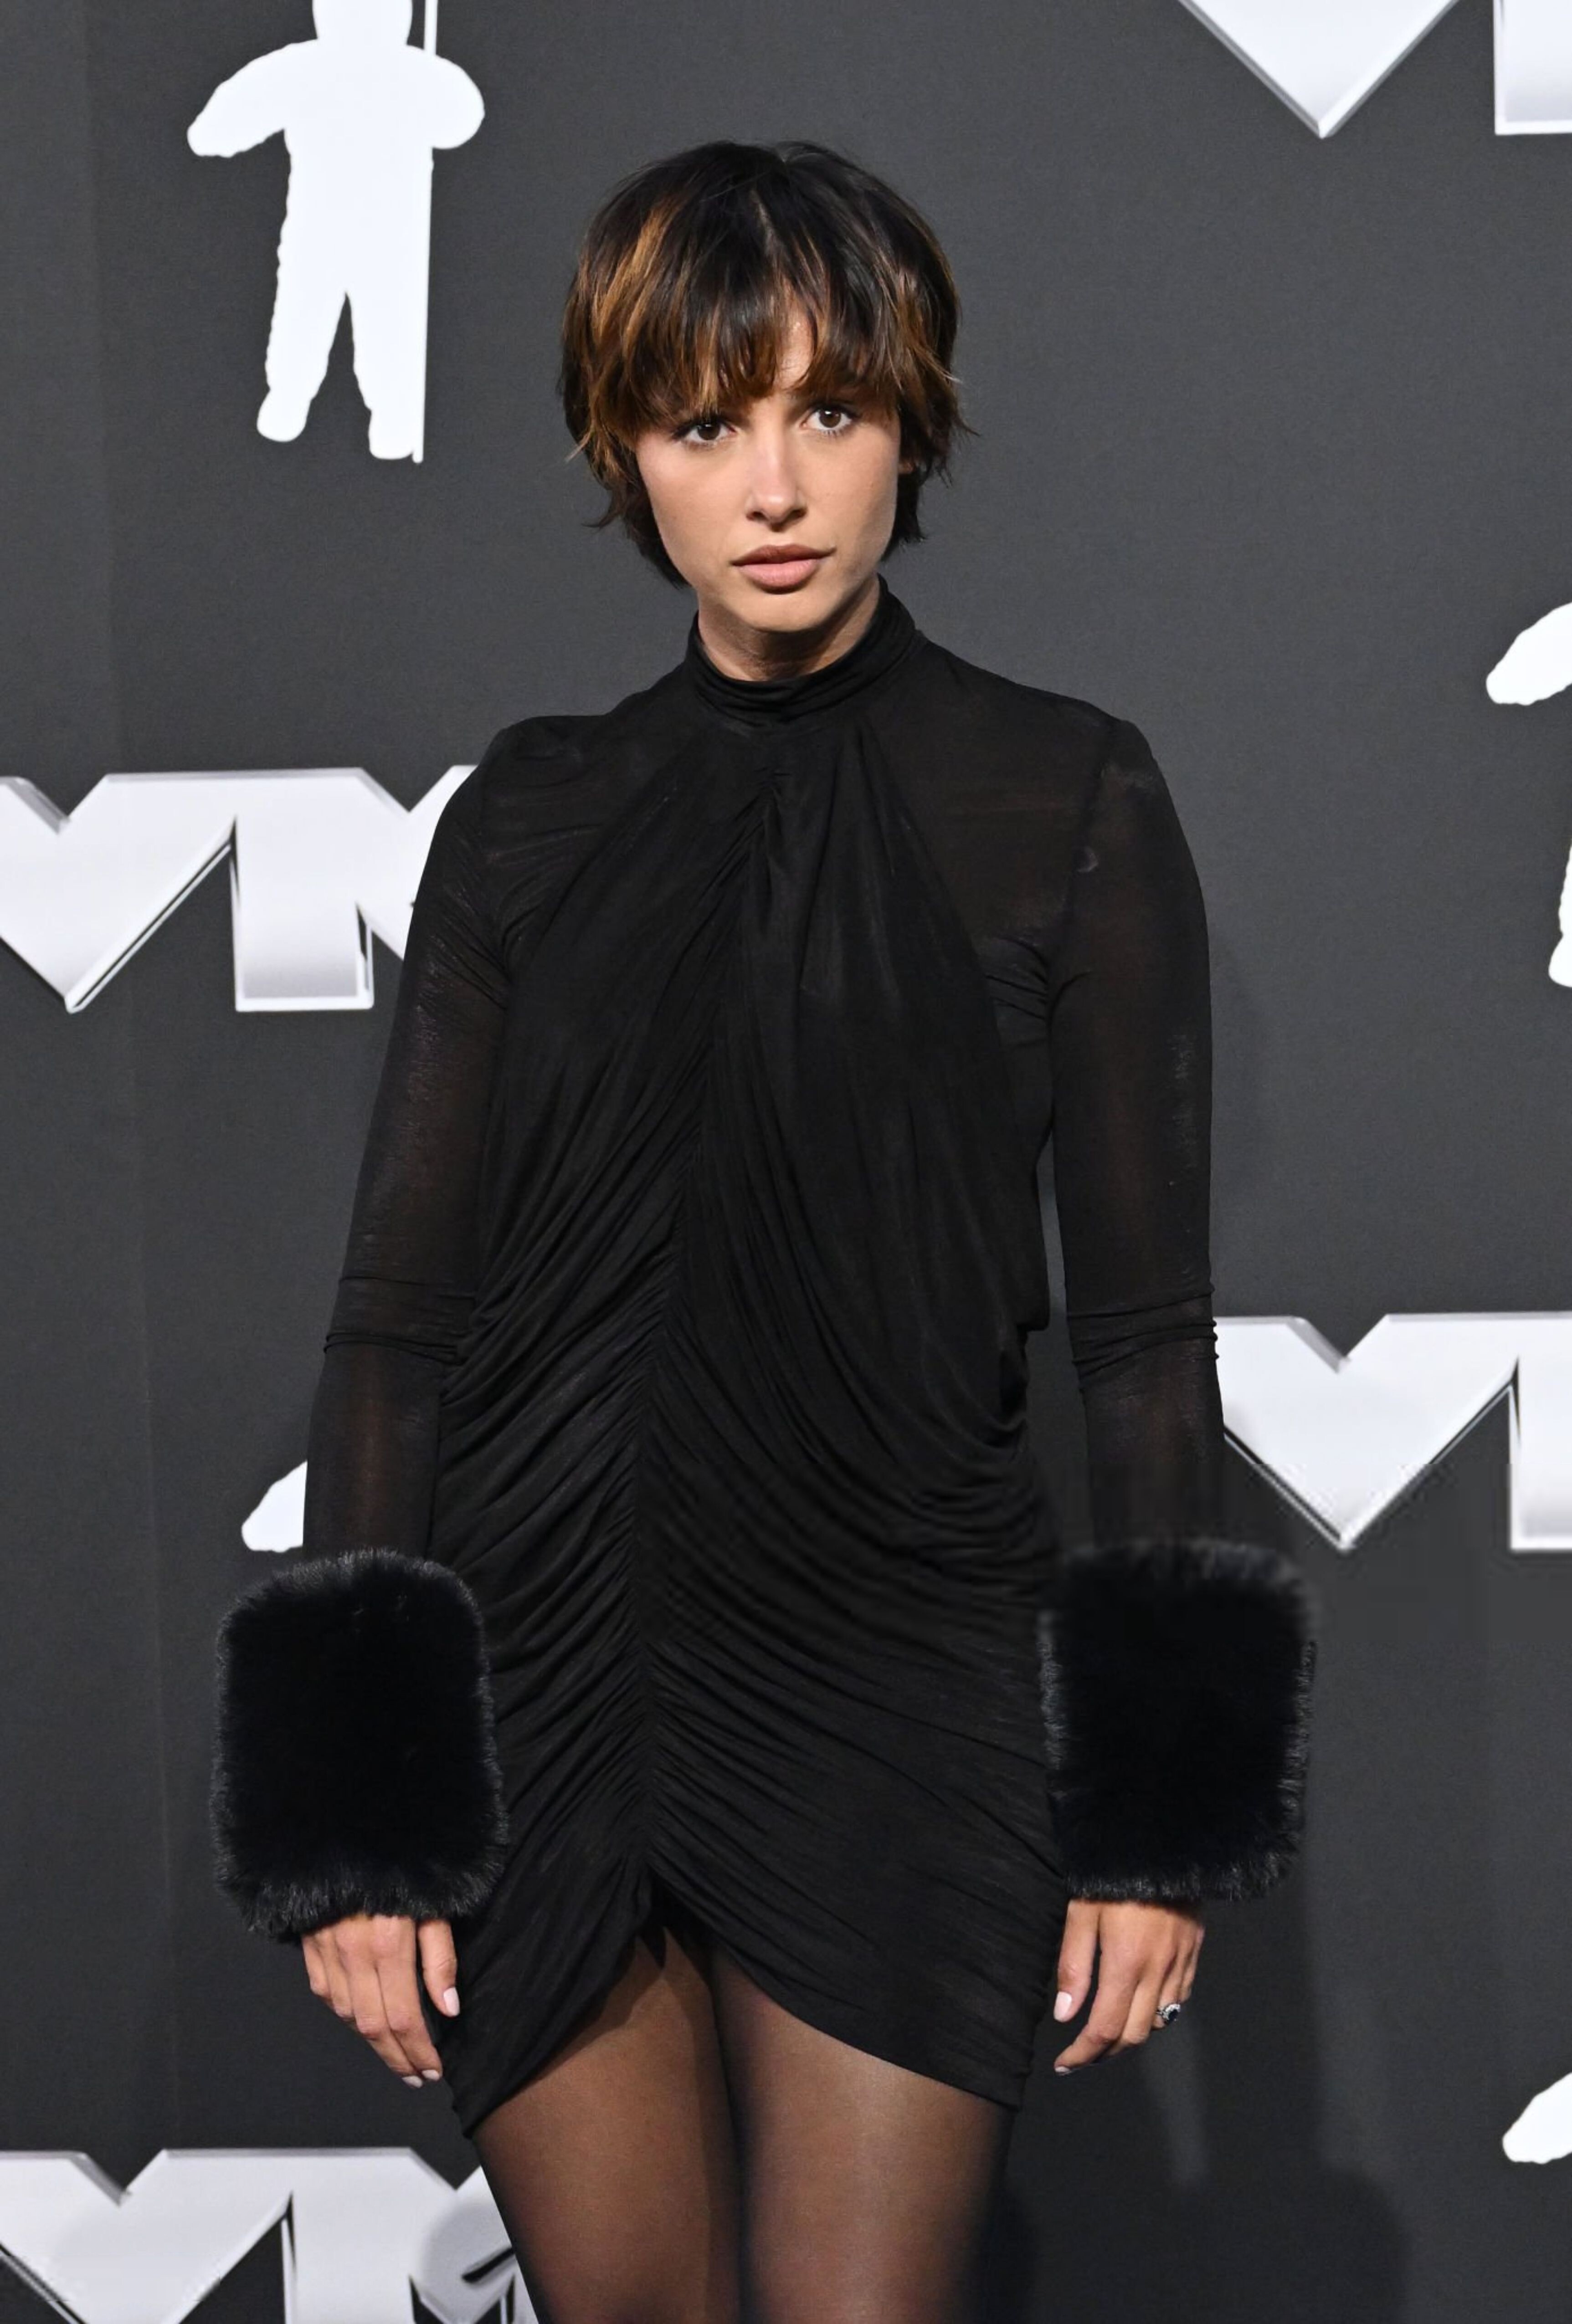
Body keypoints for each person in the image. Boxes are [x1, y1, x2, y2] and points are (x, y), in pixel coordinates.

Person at [210, 139, 1317, 2324]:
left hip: (900, 1682)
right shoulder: (528, 815)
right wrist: (356, 1812)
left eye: (831, 409)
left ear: (912, 420)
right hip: (546, 1679)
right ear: (625, 454)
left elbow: (1140, 1338)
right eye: (705, 425)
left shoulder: (1061, 793)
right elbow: (397, 1323)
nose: (777, 486)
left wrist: (1154, 1816)